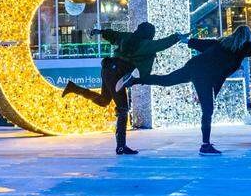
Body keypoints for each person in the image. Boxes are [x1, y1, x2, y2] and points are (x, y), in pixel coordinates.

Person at [121, 25, 251, 155]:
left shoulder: (221, 42)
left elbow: (198, 44)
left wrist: (184, 39)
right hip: (204, 77)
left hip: (194, 68)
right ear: (247, 37)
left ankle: (134, 80)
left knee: (167, 80)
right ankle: (205, 145)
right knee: (207, 110)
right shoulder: (244, 47)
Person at [62, 22, 184, 155]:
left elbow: (114, 35)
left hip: (108, 69)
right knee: (122, 109)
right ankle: (121, 146)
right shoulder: (145, 44)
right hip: (118, 72)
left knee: (103, 101)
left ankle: (74, 88)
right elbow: (161, 44)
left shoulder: (127, 37)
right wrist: (176, 37)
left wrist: (100, 32)